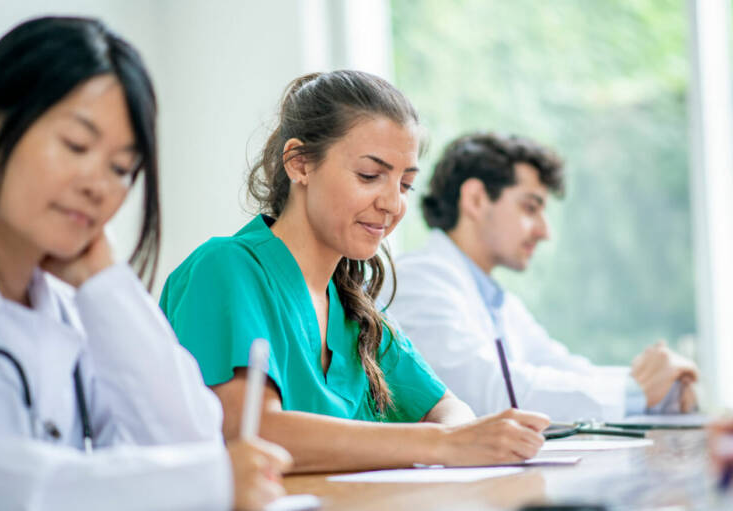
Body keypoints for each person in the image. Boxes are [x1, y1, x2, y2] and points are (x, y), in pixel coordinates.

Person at [0, 16, 289, 510]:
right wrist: (205, 483)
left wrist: (106, 285)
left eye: (121, 168)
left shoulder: (72, 307)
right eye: (76, 145)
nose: (98, 185)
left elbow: (189, 443)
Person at [160, 71, 550, 473]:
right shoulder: (225, 269)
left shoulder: (354, 312)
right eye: (369, 176)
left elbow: (450, 411)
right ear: (299, 164)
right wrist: (441, 443)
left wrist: (456, 437)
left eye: (405, 184)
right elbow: (254, 434)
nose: (393, 204)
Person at [380, 132, 698, 422]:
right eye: (530, 208)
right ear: (476, 199)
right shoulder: (416, 280)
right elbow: (487, 394)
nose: (545, 231)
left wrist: (659, 385)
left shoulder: (495, 298)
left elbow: (561, 367)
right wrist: (636, 389)